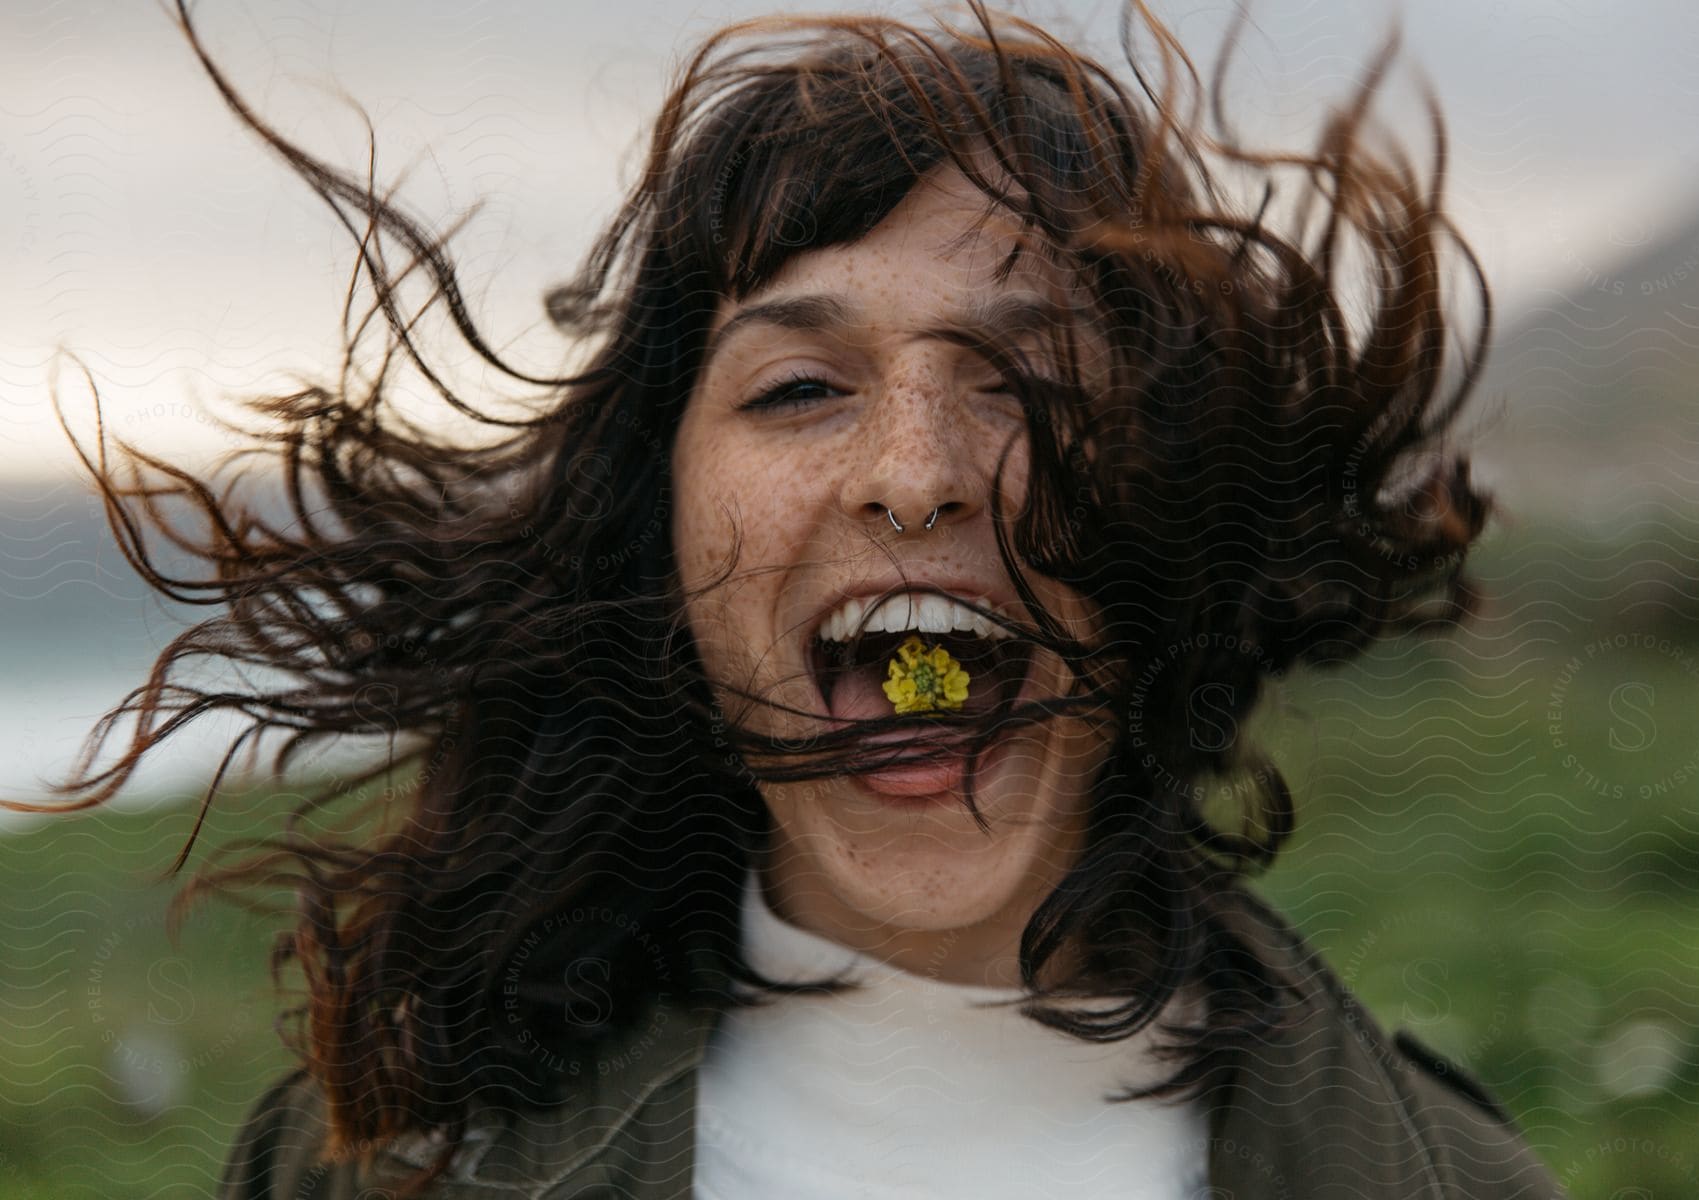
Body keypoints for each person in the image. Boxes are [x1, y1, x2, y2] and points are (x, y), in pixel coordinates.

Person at [50, 1, 1562, 1197]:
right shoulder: (372, 1170)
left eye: (1025, 380)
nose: (915, 475)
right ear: (662, 532)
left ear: (1165, 514)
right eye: (796, 386)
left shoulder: (1456, 1185)